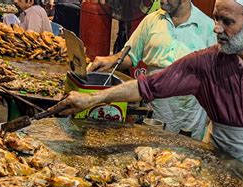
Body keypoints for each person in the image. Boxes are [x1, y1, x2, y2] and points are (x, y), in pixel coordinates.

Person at [53, 0, 243, 187]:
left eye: (227, 22)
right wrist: (92, 99)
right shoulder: (204, 64)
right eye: (216, 19)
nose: (217, 28)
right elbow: (147, 85)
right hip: (224, 156)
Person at [87, 0, 216, 140]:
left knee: (183, 157)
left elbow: (215, 79)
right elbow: (131, 55)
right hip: (155, 109)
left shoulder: (209, 28)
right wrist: (111, 60)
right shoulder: (151, 20)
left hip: (188, 116)